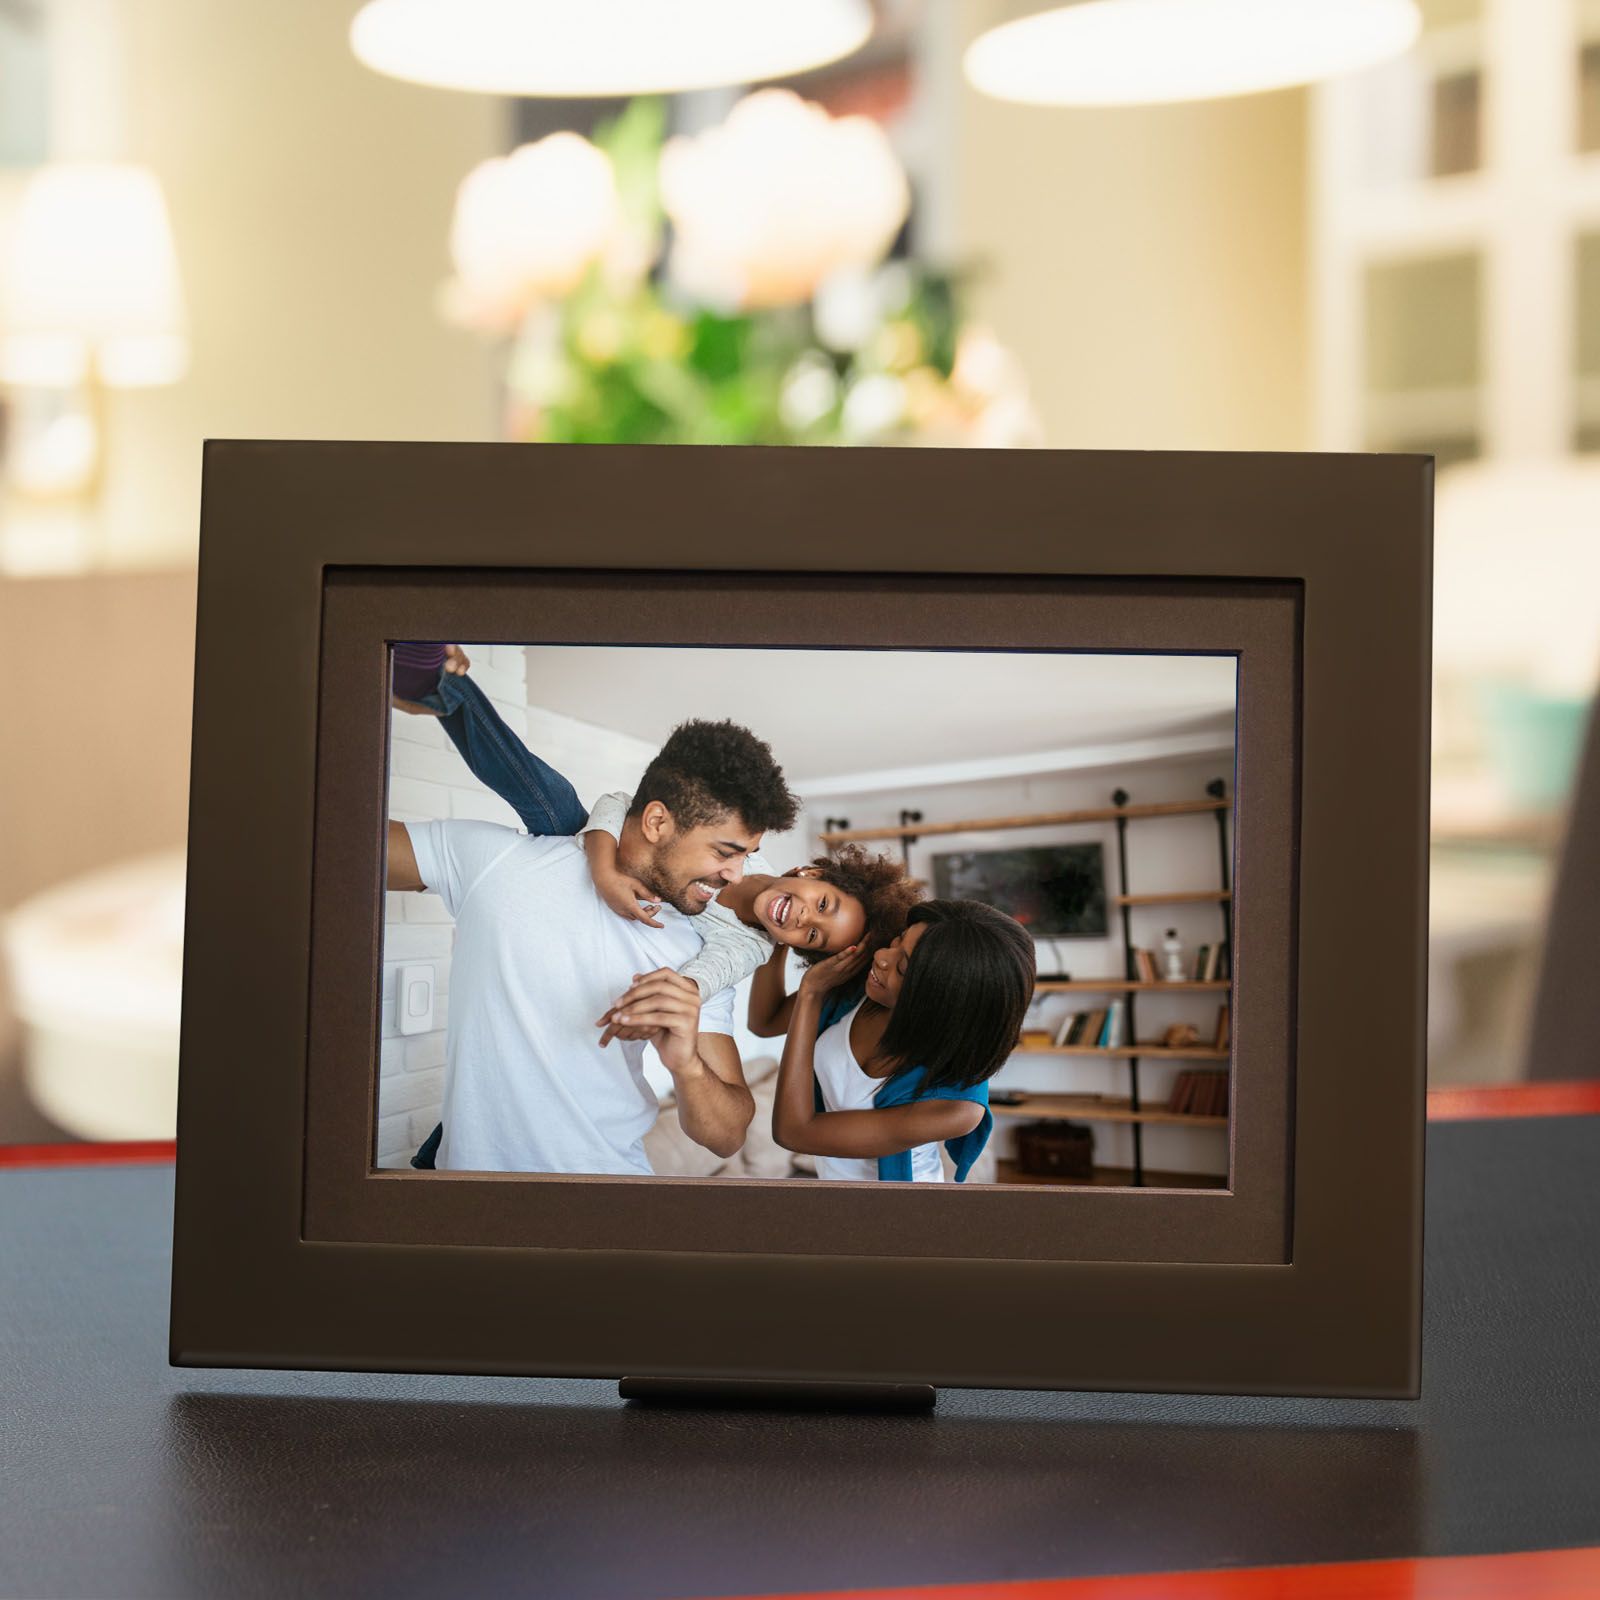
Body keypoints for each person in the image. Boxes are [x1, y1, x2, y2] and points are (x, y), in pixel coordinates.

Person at [387, 718, 798, 1174]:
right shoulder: (501, 861)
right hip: (460, 1196)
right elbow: (342, 849)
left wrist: (687, 1066)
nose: (736, 875)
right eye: (725, 852)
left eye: (746, 856)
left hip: (612, 1198)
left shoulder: (698, 958)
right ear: (657, 821)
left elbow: (727, 1137)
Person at [761, 900, 1036, 1183]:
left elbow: (794, 1132)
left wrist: (811, 993)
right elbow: (765, 1021)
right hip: (831, 1190)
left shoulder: (958, 1108)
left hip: (900, 1206)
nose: (881, 956)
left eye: (902, 968)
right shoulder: (864, 990)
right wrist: (775, 932)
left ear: (943, 1000)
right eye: (898, 939)